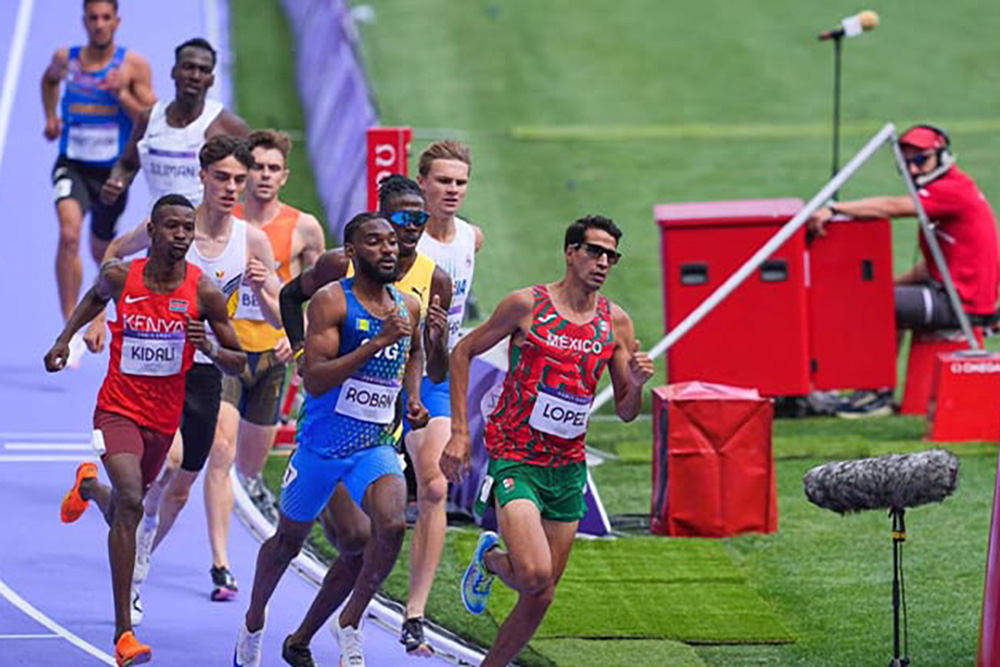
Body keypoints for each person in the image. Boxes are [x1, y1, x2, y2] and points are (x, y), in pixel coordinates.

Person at [441, 215, 654, 667]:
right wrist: (459, 432)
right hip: (515, 456)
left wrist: (634, 383)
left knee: (541, 594)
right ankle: (494, 561)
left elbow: (626, 411)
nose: (602, 262)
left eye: (611, 256)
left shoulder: (616, 322)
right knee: (534, 572)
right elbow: (463, 352)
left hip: (566, 465)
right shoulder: (527, 305)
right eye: (594, 251)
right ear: (570, 252)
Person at [46, 194, 245, 666]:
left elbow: (241, 360)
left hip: (163, 417)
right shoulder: (121, 275)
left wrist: (212, 349)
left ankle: (91, 488)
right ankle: (124, 633)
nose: (180, 235)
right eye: (171, 227)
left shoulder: (204, 292)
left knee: (125, 509)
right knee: (133, 500)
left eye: (187, 228)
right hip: (117, 409)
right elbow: (94, 297)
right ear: (152, 231)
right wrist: (62, 340)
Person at [94, 135, 282, 614]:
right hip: (154, 375)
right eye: (222, 177)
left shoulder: (251, 241)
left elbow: (280, 315)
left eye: (239, 180)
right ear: (202, 176)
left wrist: (266, 299)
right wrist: (97, 316)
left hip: (207, 370)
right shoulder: (171, 227)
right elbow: (116, 253)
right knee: (170, 464)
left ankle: (132, 540)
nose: (231, 187)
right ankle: (131, 560)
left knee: (179, 487)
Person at [235, 213, 428, 667]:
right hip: (321, 447)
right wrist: (374, 344)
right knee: (287, 543)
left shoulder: (409, 307)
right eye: (375, 242)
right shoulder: (330, 303)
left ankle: (350, 621)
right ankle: (253, 620)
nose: (388, 249)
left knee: (390, 526)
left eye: (393, 243)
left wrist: (414, 396)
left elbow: (414, 349)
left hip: (375, 445)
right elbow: (316, 380)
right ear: (352, 251)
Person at [277, 174, 451, 661]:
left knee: (376, 535)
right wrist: (298, 350)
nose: (412, 229)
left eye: (420, 220)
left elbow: (430, 362)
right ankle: (263, 622)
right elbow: (292, 297)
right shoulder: (338, 266)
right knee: (346, 540)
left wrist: (424, 373)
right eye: (401, 220)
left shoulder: (434, 281)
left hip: (380, 434)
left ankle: (324, 631)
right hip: (326, 427)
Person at [202, 129, 326, 599]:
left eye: (274, 169)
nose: (264, 176)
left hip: (274, 358)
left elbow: (320, 299)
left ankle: (252, 496)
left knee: (250, 465)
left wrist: (295, 336)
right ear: (243, 171)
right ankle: (221, 563)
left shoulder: (304, 228)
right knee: (221, 452)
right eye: (257, 167)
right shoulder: (223, 223)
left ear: (285, 175)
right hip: (226, 353)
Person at [808, 124, 1000, 417]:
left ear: (942, 156)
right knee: (884, 297)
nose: (912, 168)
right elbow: (933, 266)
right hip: (954, 295)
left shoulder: (951, 190)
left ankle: (877, 394)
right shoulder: (949, 189)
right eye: (906, 162)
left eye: (920, 159)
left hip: (961, 305)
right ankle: (872, 387)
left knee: (879, 305)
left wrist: (835, 209)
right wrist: (888, 284)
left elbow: (892, 206)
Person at [397, 139, 484, 649]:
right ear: (423, 183)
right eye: (443, 181)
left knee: (433, 487)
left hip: (436, 376)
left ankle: (415, 612)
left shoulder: (472, 238)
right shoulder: (401, 242)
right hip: (387, 374)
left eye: (461, 182)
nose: (452, 190)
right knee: (363, 510)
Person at [42, 0, 155, 335]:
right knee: (68, 235)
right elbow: (48, 81)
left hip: (112, 173)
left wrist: (121, 94)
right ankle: (70, 322)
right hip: (71, 164)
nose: (99, 24)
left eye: (106, 18)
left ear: (117, 22)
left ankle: (100, 307)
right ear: (85, 21)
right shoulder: (66, 59)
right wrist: (51, 116)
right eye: (93, 18)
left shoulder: (133, 65)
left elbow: (151, 118)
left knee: (98, 248)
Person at [100, 37, 249, 211]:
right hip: (160, 229)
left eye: (203, 70)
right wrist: (117, 182)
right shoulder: (149, 119)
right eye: (188, 67)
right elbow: (127, 164)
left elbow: (249, 179)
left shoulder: (228, 126)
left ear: (211, 80)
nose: (195, 76)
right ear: (173, 72)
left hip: (208, 230)